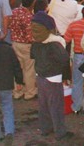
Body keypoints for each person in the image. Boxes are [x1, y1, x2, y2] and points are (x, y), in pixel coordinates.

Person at [30, 11, 72, 139]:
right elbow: (64, 60)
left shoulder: (35, 43)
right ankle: (60, 132)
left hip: (40, 76)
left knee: (43, 105)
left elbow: (32, 56)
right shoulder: (55, 44)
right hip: (53, 77)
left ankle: (45, 128)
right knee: (56, 106)